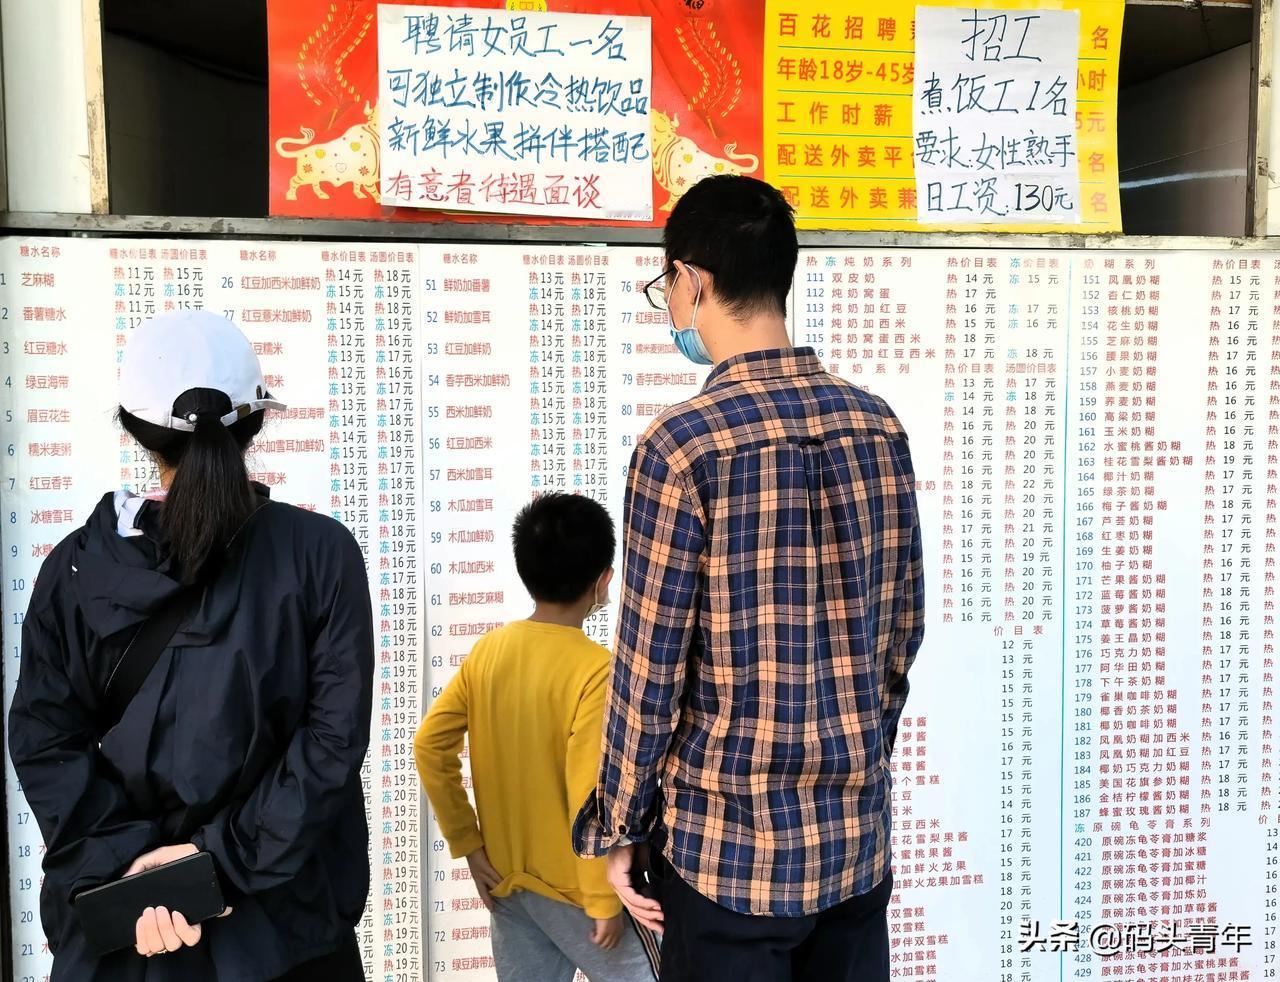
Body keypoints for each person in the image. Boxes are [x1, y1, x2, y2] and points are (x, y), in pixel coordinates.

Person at [572, 175, 925, 982]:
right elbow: (902, 636)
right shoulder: (878, 426)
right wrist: (855, 760)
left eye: (666, 285)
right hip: (855, 853)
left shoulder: (681, 447)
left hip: (727, 862)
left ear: (691, 280)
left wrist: (619, 825)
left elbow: (649, 673)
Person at [9, 310, 374, 981]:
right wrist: (214, 865)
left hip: (127, 936)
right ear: (254, 422)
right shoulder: (320, 555)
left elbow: (44, 740)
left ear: (133, 427)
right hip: (283, 933)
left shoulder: (75, 568)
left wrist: (132, 866)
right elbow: (331, 743)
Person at [415, 492, 658, 982]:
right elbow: (589, 794)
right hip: (576, 894)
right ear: (604, 580)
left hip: (507, 884)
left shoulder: (490, 650)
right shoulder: (597, 671)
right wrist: (602, 900)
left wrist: (469, 845)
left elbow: (429, 744)